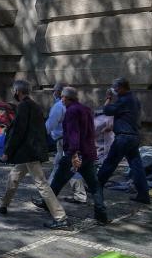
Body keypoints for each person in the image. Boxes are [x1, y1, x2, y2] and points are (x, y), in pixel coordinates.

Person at [0, 80, 70, 229]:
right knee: (14, 177)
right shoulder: (34, 106)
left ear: (18, 91)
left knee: (41, 183)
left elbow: (18, 132)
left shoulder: (23, 106)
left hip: (29, 152)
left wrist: (7, 151)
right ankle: (2, 204)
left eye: (14, 90)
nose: (13, 92)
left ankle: (60, 217)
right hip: (30, 151)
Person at [44, 86, 109, 225]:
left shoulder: (71, 111)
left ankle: (50, 208)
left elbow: (74, 134)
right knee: (94, 185)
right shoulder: (86, 109)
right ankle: (101, 215)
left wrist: (74, 154)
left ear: (66, 98)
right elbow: (91, 131)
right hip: (88, 153)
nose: (61, 99)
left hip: (76, 154)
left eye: (62, 97)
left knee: (57, 181)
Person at [97, 77, 150, 203]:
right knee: (137, 167)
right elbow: (126, 117)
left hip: (124, 137)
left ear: (121, 88)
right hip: (133, 136)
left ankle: (96, 186)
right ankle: (143, 194)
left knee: (110, 163)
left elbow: (107, 110)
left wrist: (108, 98)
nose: (114, 90)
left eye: (115, 88)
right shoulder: (134, 99)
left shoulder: (124, 100)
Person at [45, 82, 88, 204]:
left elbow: (50, 124)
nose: (53, 93)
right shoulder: (78, 107)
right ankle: (49, 194)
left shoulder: (59, 106)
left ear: (60, 92)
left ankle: (48, 195)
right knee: (63, 166)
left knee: (67, 167)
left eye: (54, 90)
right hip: (71, 140)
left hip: (64, 141)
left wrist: (41, 135)